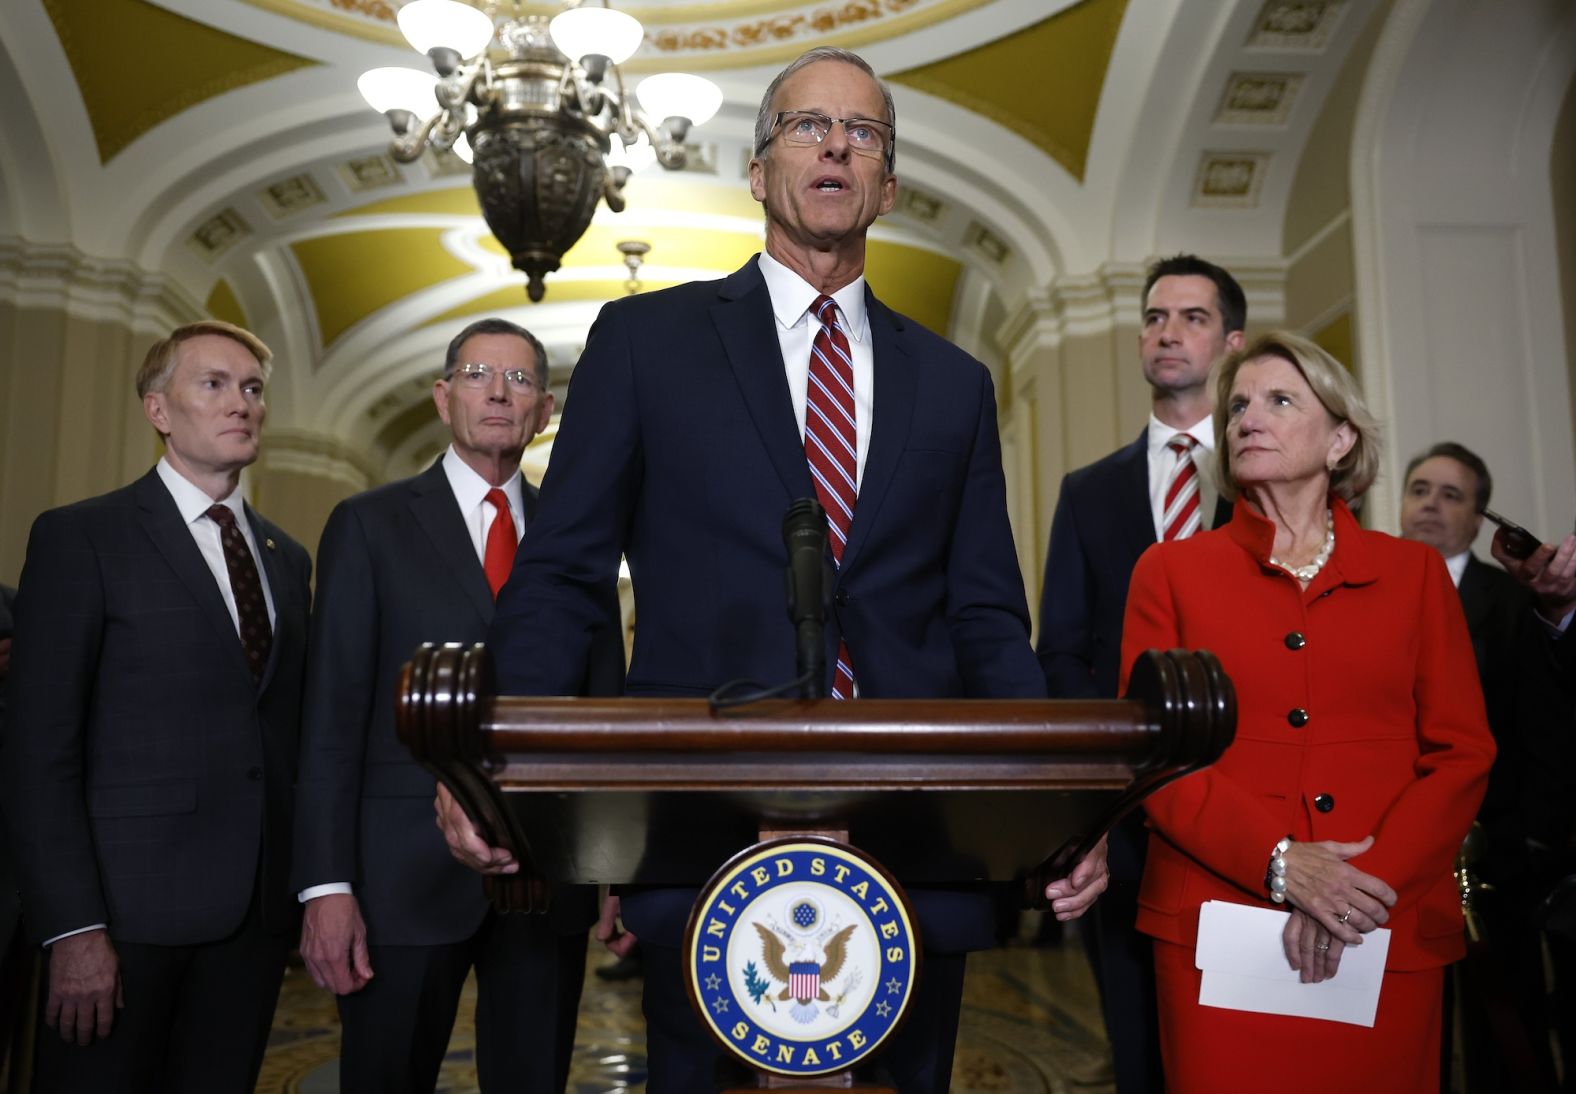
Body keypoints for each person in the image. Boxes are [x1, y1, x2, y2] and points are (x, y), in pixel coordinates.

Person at [434, 45, 1108, 1093]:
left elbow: (985, 616)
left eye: (865, 133)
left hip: (915, 834)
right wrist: (493, 762)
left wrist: (1050, 811)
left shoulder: (955, 382)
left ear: (887, 184)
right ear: (757, 172)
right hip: (704, 821)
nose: (838, 143)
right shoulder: (643, 342)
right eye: (807, 125)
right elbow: (563, 575)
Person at [1119, 331, 1495, 1091]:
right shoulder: (1169, 574)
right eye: (1237, 407)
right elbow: (1155, 753)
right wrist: (1284, 864)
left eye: (1280, 400)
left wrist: (1358, 890)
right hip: (1218, 927)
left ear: (1341, 439)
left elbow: (1462, 754)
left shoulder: (1416, 576)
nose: (1247, 419)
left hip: (1383, 929)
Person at [291, 318, 621, 1092]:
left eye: (520, 381)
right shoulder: (367, 526)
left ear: (544, 413)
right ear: (444, 398)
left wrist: (617, 873)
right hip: (398, 882)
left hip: (550, 876)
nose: (499, 393)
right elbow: (331, 716)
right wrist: (326, 885)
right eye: (477, 374)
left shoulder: (578, 541)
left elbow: (606, 714)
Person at [0, 320, 312, 1093]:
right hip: (121, 920)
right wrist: (72, 927)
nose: (240, 403)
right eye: (213, 384)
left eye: (252, 388)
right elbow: (40, 749)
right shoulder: (83, 538)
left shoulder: (286, 557)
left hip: (253, 920)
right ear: (158, 410)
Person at [1035, 253, 1244, 1092]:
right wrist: (1112, 765)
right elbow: (1061, 646)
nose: (1169, 331)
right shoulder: (1089, 493)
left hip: (1250, 788)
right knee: (1136, 1028)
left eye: (1193, 317)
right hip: (1124, 807)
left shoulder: (1271, 477)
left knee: (1243, 1030)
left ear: (1230, 341)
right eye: (1156, 316)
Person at [1400, 441, 1576, 1089]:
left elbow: (1543, 725)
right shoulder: (1371, 589)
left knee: (1504, 1028)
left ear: (1479, 519)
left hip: (1494, 851)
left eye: (1451, 494)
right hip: (1391, 847)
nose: (1430, 505)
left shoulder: (1510, 601)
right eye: (1420, 489)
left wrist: (1533, 837)